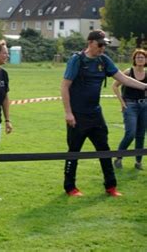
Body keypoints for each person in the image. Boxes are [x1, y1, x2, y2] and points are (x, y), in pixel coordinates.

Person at [61, 30, 147, 197]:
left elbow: (124, 79)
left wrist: (145, 86)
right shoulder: (77, 60)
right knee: (74, 151)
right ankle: (70, 187)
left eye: (105, 45)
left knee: (105, 150)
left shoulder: (104, 60)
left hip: (95, 114)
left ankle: (111, 187)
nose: (103, 48)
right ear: (91, 42)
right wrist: (68, 113)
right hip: (77, 115)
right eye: (100, 45)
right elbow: (65, 86)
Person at [112, 49, 147, 170]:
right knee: (130, 133)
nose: (140, 59)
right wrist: (122, 102)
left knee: (141, 135)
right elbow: (115, 86)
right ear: (134, 60)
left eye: (142, 57)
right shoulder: (128, 72)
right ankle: (118, 158)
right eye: (138, 57)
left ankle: (138, 162)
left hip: (144, 106)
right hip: (130, 105)